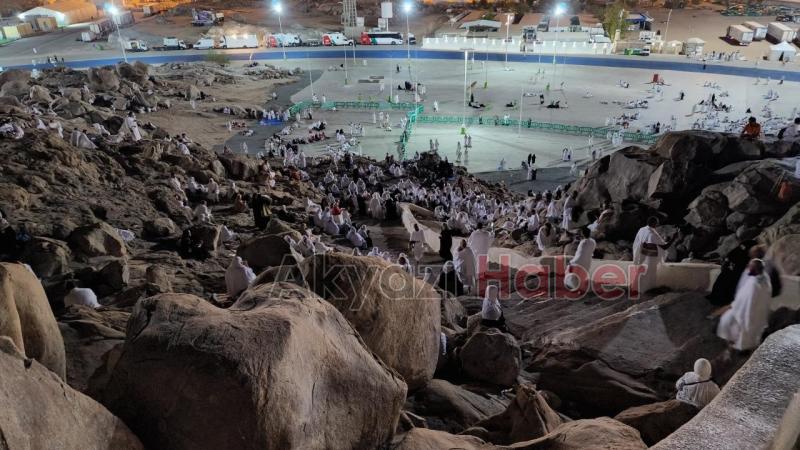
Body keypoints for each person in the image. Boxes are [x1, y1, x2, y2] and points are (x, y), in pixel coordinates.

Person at [716, 258, 772, 351]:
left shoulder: (755, 285)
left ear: (756, 269)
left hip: (748, 315)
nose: (748, 269)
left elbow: (749, 305)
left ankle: (739, 348)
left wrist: (740, 316)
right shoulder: (765, 278)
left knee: (728, 323)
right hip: (758, 314)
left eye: (751, 267)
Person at [632, 216, 675, 294]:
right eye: (656, 223)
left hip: (643, 255)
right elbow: (664, 247)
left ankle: (637, 289)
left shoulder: (642, 229)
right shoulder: (651, 233)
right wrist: (673, 238)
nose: (657, 224)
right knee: (649, 274)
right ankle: (646, 290)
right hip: (650, 257)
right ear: (653, 223)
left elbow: (639, 242)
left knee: (642, 272)